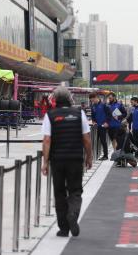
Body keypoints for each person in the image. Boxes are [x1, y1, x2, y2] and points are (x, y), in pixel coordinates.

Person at [41, 86, 92, 237]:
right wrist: (89, 156)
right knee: (75, 190)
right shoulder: (79, 114)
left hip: (57, 160)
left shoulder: (50, 115)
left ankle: (63, 228)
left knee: (59, 192)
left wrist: (45, 162)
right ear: (70, 99)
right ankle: (73, 214)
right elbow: (86, 138)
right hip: (75, 159)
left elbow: (47, 140)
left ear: (55, 100)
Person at [89, 92, 112, 161]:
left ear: (96, 97)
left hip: (103, 125)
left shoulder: (104, 105)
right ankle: (95, 154)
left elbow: (109, 115)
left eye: (93, 100)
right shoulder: (93, 106)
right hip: (96, 126)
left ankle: (105, 155)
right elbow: (93, 115)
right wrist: (93, 121)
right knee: (95, 140)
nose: (92, 101)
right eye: (91, 100)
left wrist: (107, 122)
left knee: (103, 141)